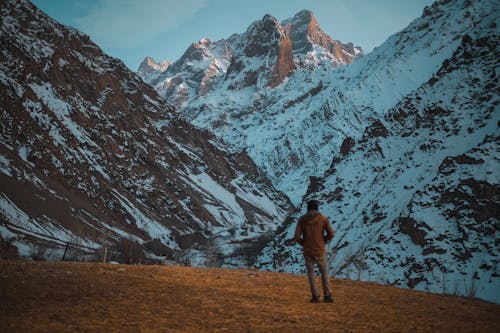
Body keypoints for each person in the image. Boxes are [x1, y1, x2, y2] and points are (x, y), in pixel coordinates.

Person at [294, 200, 335, 303]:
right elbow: (331, 234)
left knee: (311, 274)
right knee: (324, 273)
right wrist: (323, 241)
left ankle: (315, 297)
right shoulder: (323, 219)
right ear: (317, 208)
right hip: (320, 250)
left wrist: (304, 243)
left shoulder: (302, 220)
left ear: (307, 209)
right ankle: (327, 296)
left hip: (308, 250)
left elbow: (297, 236)